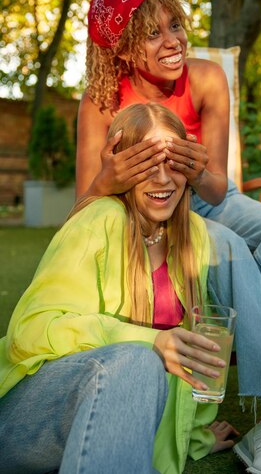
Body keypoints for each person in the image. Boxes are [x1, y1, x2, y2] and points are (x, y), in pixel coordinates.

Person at [76, 0, 261, 474]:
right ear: (126, 47)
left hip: (205, 197)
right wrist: (111, 177)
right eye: (153, 34)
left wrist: (196, 169)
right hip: (149, 210)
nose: (173, 41)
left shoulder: (207, 79)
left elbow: (218, 188)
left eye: (175, 25)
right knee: (229, 249)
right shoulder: (102, 101)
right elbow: (84, 204)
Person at [0, 103, 239, 474]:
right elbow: (28, 332)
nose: (162, 179)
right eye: (146, 164)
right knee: (138, 359)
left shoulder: (191, 234)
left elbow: (190, 356)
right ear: (123, 168)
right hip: (25, 421)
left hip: (98, 433)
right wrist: (149, 341)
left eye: (174, 162)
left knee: (141, 361)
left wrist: (196, 436)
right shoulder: (99, 220)